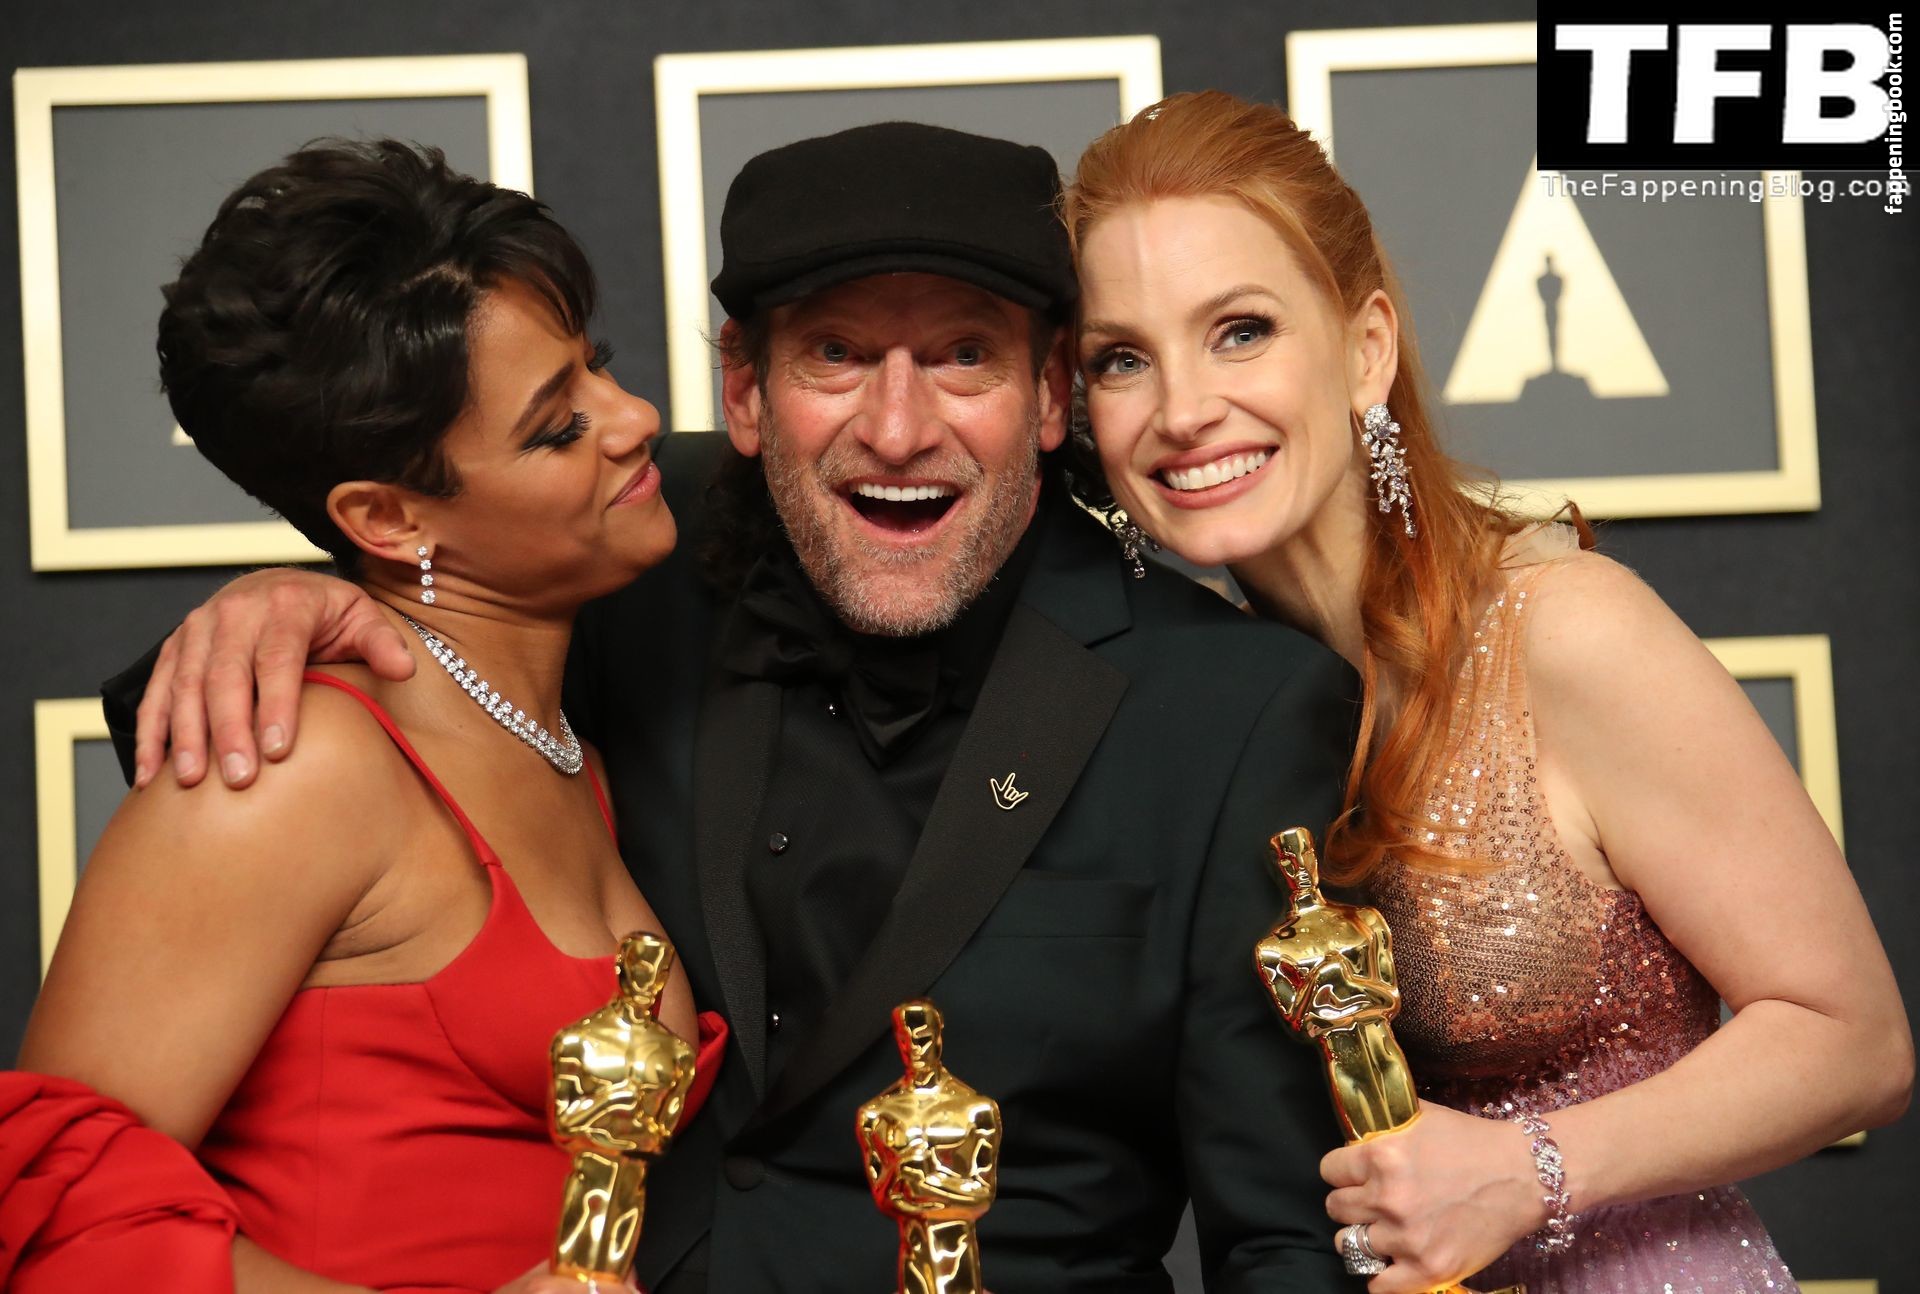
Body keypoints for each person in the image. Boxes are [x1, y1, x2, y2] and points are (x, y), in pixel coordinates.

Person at [104, 121, 1361, 1292]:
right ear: (747, 391)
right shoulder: (628, 561)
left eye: (964, 356)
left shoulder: (1235, 707)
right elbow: (413, 599)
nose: (898, 429)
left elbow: (1287, 1241)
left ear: (1049, 395)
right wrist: (285, 595)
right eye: (837, 356)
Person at [1061, 90, 1914, 1293]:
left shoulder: (1561, 630)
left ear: (1365, 348)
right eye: (1122, 359)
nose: (1185, 409)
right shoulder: (1198, 713)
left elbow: (1856, 1042)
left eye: (1240, 331)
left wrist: (1530, 1168)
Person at [5, 140, 726, 1294]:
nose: (636, 416)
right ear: (388, 520)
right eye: (557, 425)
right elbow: (49, 1220)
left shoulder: (567, 745)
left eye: (600, 367)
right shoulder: (299, 765)